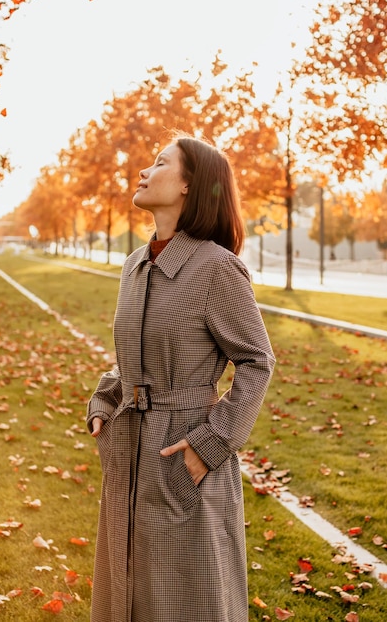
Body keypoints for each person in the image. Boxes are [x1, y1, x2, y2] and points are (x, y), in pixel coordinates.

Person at [86, 133, 276, 622]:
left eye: (159, 163)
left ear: (190, 184)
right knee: (125, 596)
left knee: (187, 600)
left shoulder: (216, 268)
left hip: (182, 453)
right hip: (127, 455)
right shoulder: (134, 265)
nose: (145, 172)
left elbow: (257, 360)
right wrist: (106, 402)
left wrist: (210, 443)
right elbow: (131, 359)